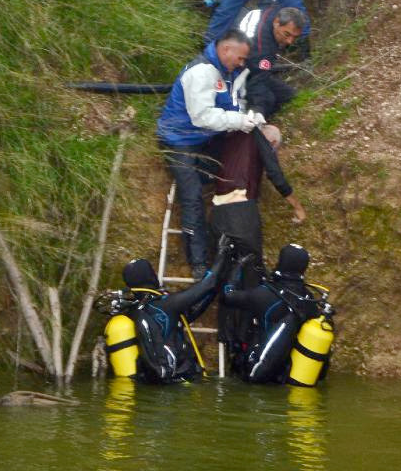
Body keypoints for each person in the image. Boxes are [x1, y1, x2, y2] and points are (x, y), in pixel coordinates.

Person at [157, 28, 263, 279]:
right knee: (192, 196)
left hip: (203, 139)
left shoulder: (225, 73)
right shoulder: (202, 72)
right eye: (240, 57)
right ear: (226, 49)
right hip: (178, 139)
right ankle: (198, 262)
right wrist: (238, 121)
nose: (242, 63)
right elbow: (202, 116)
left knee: (225, 173)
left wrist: (250, 115)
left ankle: (219, 239)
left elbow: (231, 105)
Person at [96, 239, 232, 383]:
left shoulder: (137, 309)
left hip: (159, 381)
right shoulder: (165, 304)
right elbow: (206, 285)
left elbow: (192, 312)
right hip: (179, 382)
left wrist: (217, 285)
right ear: (149, 276)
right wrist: (221, 254)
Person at [222, 244, 335, 385]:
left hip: (258, 372)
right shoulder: (309, 299)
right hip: (289, 374)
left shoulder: (264, 294)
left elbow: (228, 295)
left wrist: (237, 267)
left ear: (281, 262)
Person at [210, 124, 306, 266]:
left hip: (217, 210)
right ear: (272, 143)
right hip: (240, 210)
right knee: (251, 266)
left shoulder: (232, 137)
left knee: (222, 267)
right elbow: (275, 175)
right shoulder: (257, 137)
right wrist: (298, 207)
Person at [239, 6, 307, 118]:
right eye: (287, 34)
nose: (290, 41)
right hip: (239, 75)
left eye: (295, 37)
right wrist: (258, 109)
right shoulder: (262, 48)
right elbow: (257, 79)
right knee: (268, 100)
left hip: (254, 66)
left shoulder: (271, 12)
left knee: (289, 95)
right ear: (276, 22)